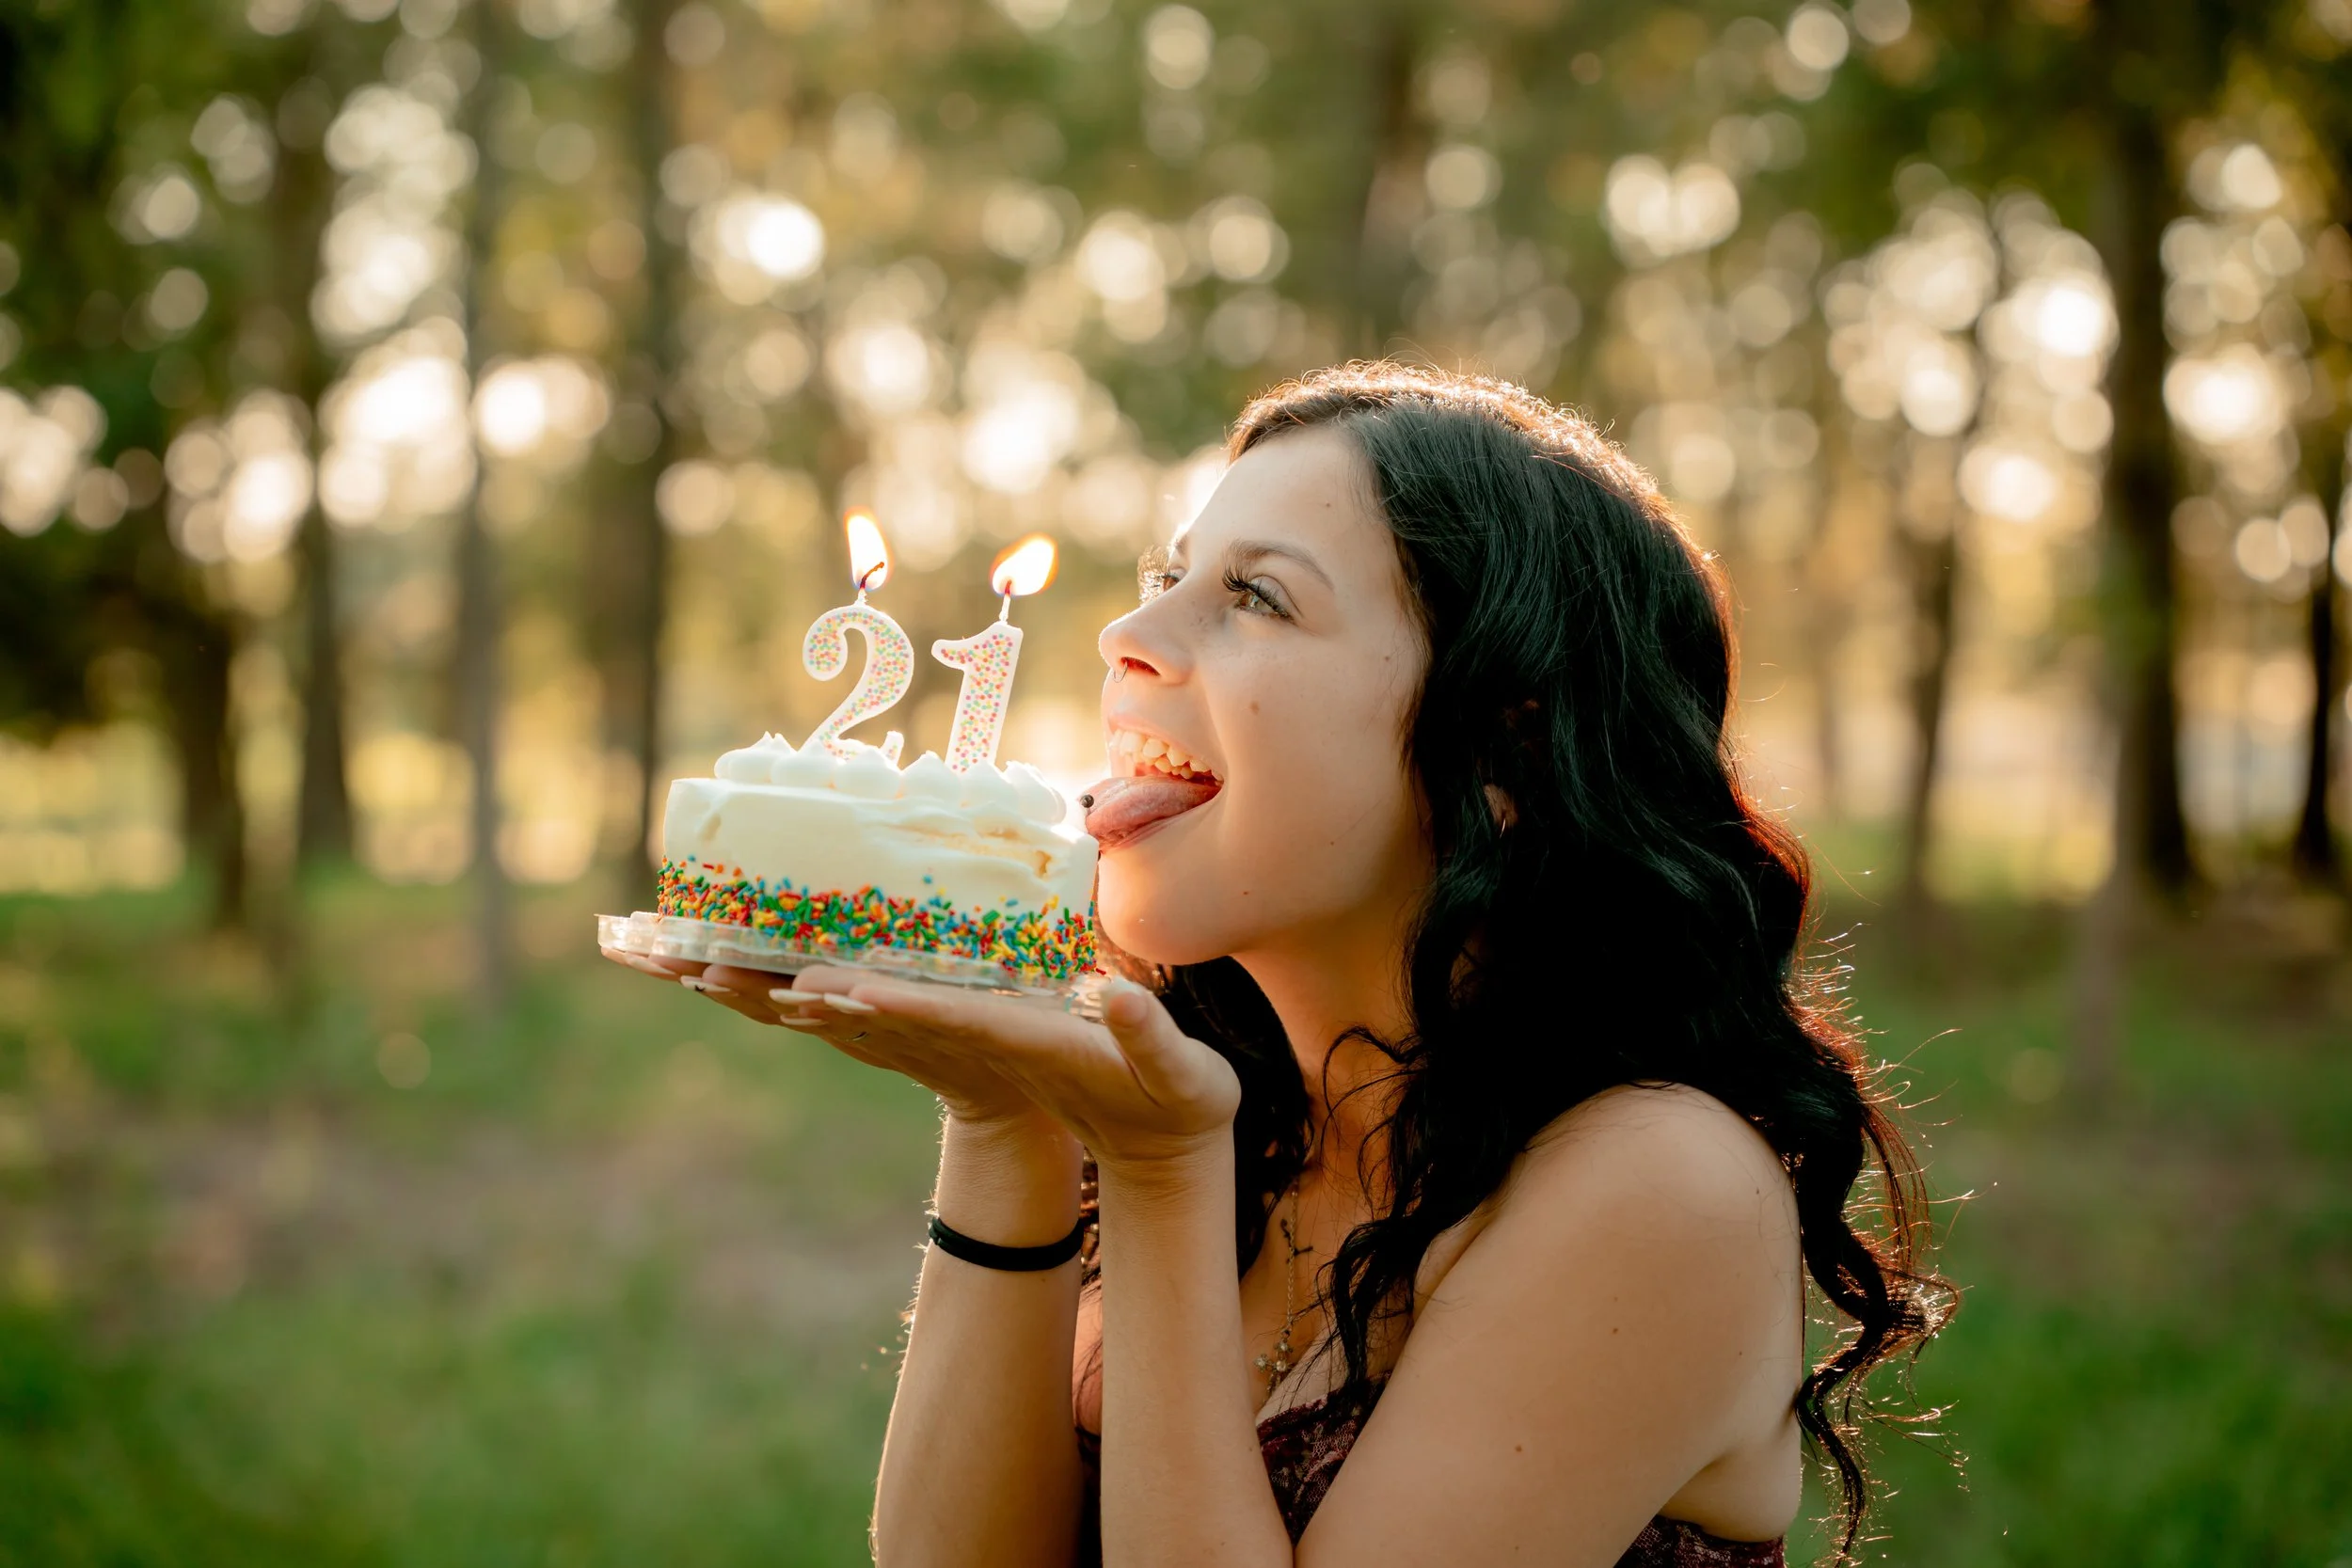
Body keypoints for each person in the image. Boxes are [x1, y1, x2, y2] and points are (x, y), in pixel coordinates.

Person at [612, 362, 1950, 1566]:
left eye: (1254, 595)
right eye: (1168, 576)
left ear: (1506, 748)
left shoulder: (1659, 1188)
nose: (1124, 637)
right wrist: (1003, 1112)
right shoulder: (1226, 1103)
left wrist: (1159, 1175)